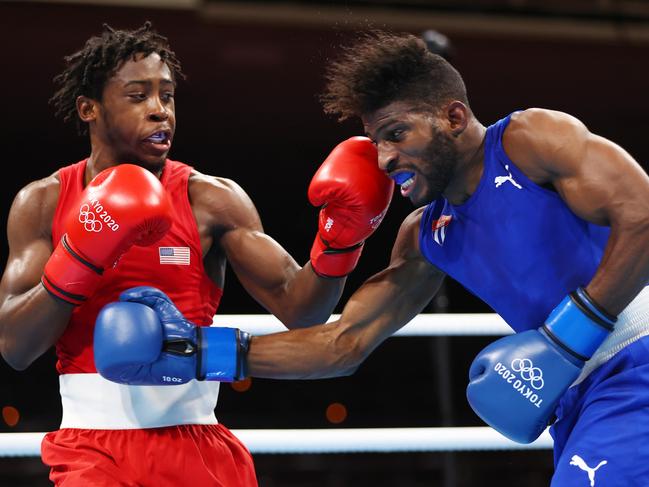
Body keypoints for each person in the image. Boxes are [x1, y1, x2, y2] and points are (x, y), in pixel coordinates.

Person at [93, 31, 649, 486]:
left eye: (396, 134)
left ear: (453, 118)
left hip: (637, 361)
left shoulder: (530, 140)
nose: (383, 158)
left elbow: (642, 213)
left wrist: (567, 335)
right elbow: (345, 342)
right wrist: (194, 351)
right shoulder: (427, 236)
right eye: (374, 141)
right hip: (578, 395)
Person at [0, 23, 394, 486]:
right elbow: (16, 348)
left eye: (166, 96)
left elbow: (302, 309)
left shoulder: (210, 199)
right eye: (137, 96)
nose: (159, 111)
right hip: (91, 451)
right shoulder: (44, 203)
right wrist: (81, 257)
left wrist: (341, 239)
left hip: (197, 446)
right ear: (89, 108)